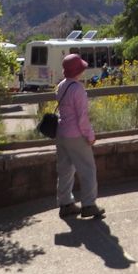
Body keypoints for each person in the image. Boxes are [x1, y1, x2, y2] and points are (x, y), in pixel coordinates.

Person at [56, 54, 105, 219]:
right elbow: (82, 118)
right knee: (88, 169)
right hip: (76, 135)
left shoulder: (61, 86)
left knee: (65, 170)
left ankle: (65, 204)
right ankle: (89, 205)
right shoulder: (78, 89)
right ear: (78, 70)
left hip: (61, 133)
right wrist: (90, 136)